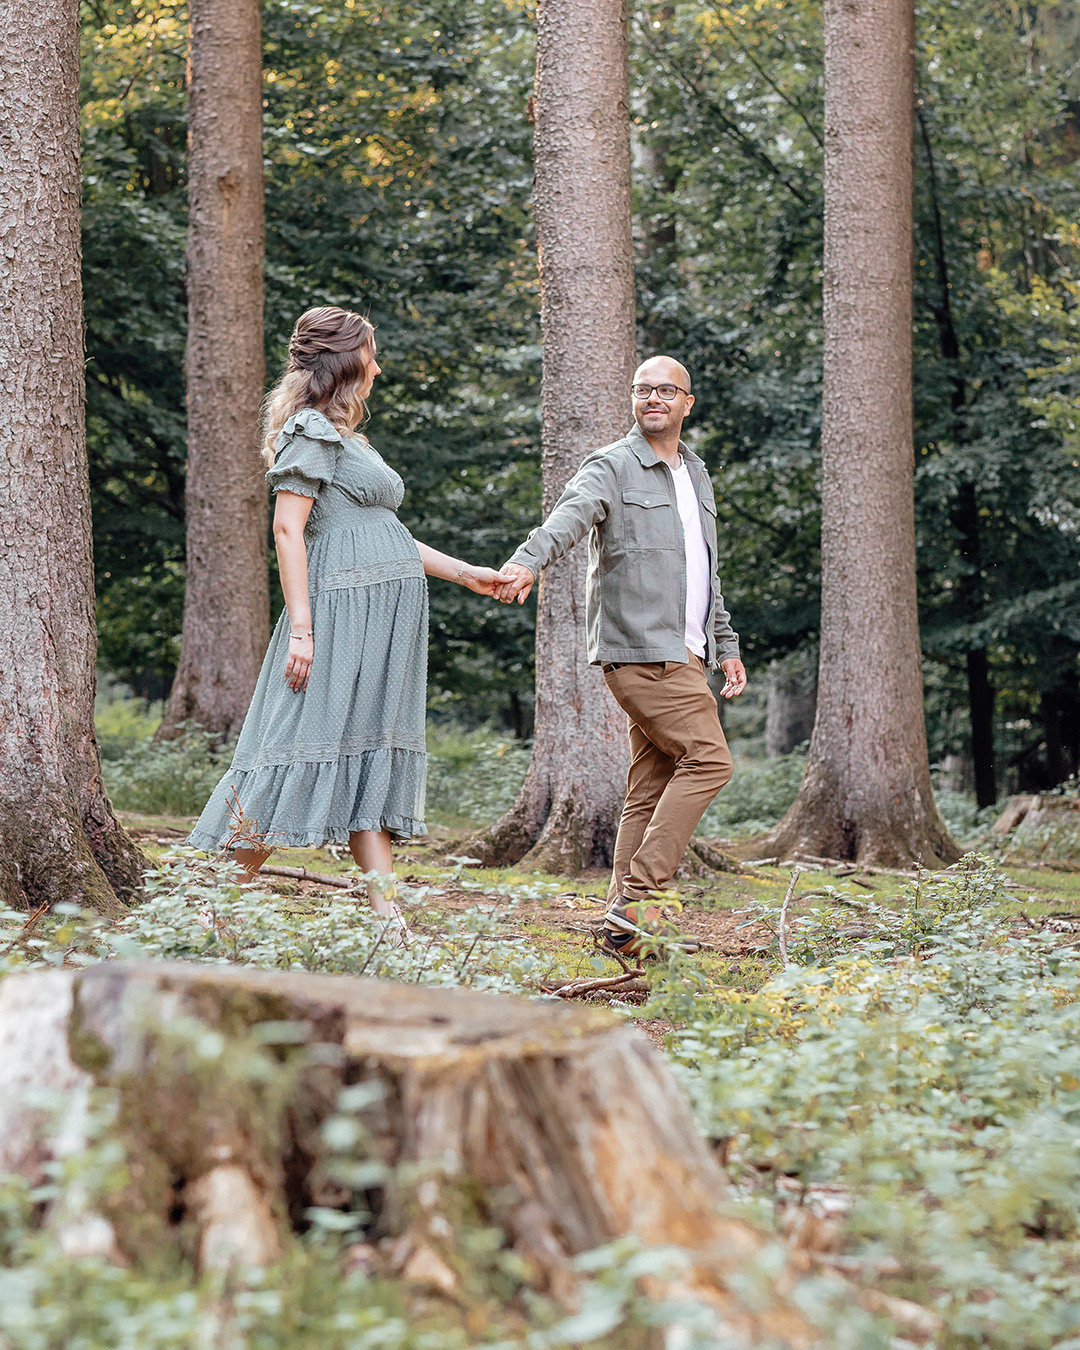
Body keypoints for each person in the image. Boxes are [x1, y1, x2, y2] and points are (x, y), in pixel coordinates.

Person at [188, 306, 510, 934]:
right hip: (338, 612)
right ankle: (209, 907)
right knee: (295, 746)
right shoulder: (308, 430)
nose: (377, 364)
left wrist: (469, 573)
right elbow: (288, 529)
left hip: (386, 620)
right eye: (370, 351)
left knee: (366, 753)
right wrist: (303, 629)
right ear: (343, 360)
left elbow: (386, 536)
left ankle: (388, 921)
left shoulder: (349, 437)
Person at [496, 355, 747, 958]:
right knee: (710, 762)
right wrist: (527, 561)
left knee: (650, 786)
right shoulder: (612, 465)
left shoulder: (696, 474)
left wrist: (726, 645)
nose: (653, 398)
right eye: (642, 390)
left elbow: (707, 571)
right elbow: (569, 517)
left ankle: (619, 926)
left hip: (687, 652)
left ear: (688, 402)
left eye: (666, 390)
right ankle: (642, 896)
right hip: (639, 650)